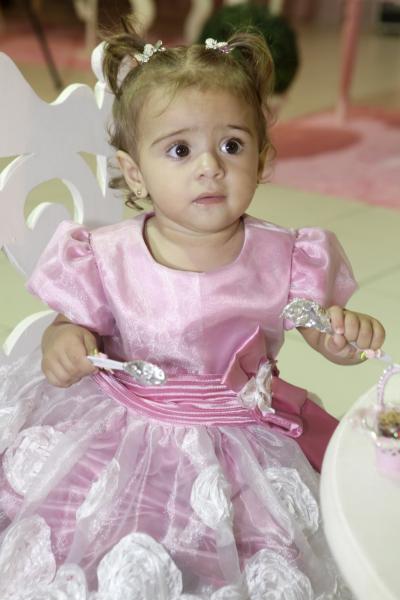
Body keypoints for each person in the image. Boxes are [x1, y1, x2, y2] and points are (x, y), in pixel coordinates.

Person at [0, 19, 385, 599]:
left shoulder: (285, 256)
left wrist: (343, 337)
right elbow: (72, 323)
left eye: (232, 145)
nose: (210, 166)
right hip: (125, 430)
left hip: (242, 438)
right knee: (102, 537)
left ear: (262, 159)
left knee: (255, 549)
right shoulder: (106, 255)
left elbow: (324, 334)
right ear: (135, 172)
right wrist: (64, 339)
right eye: (179, 150)